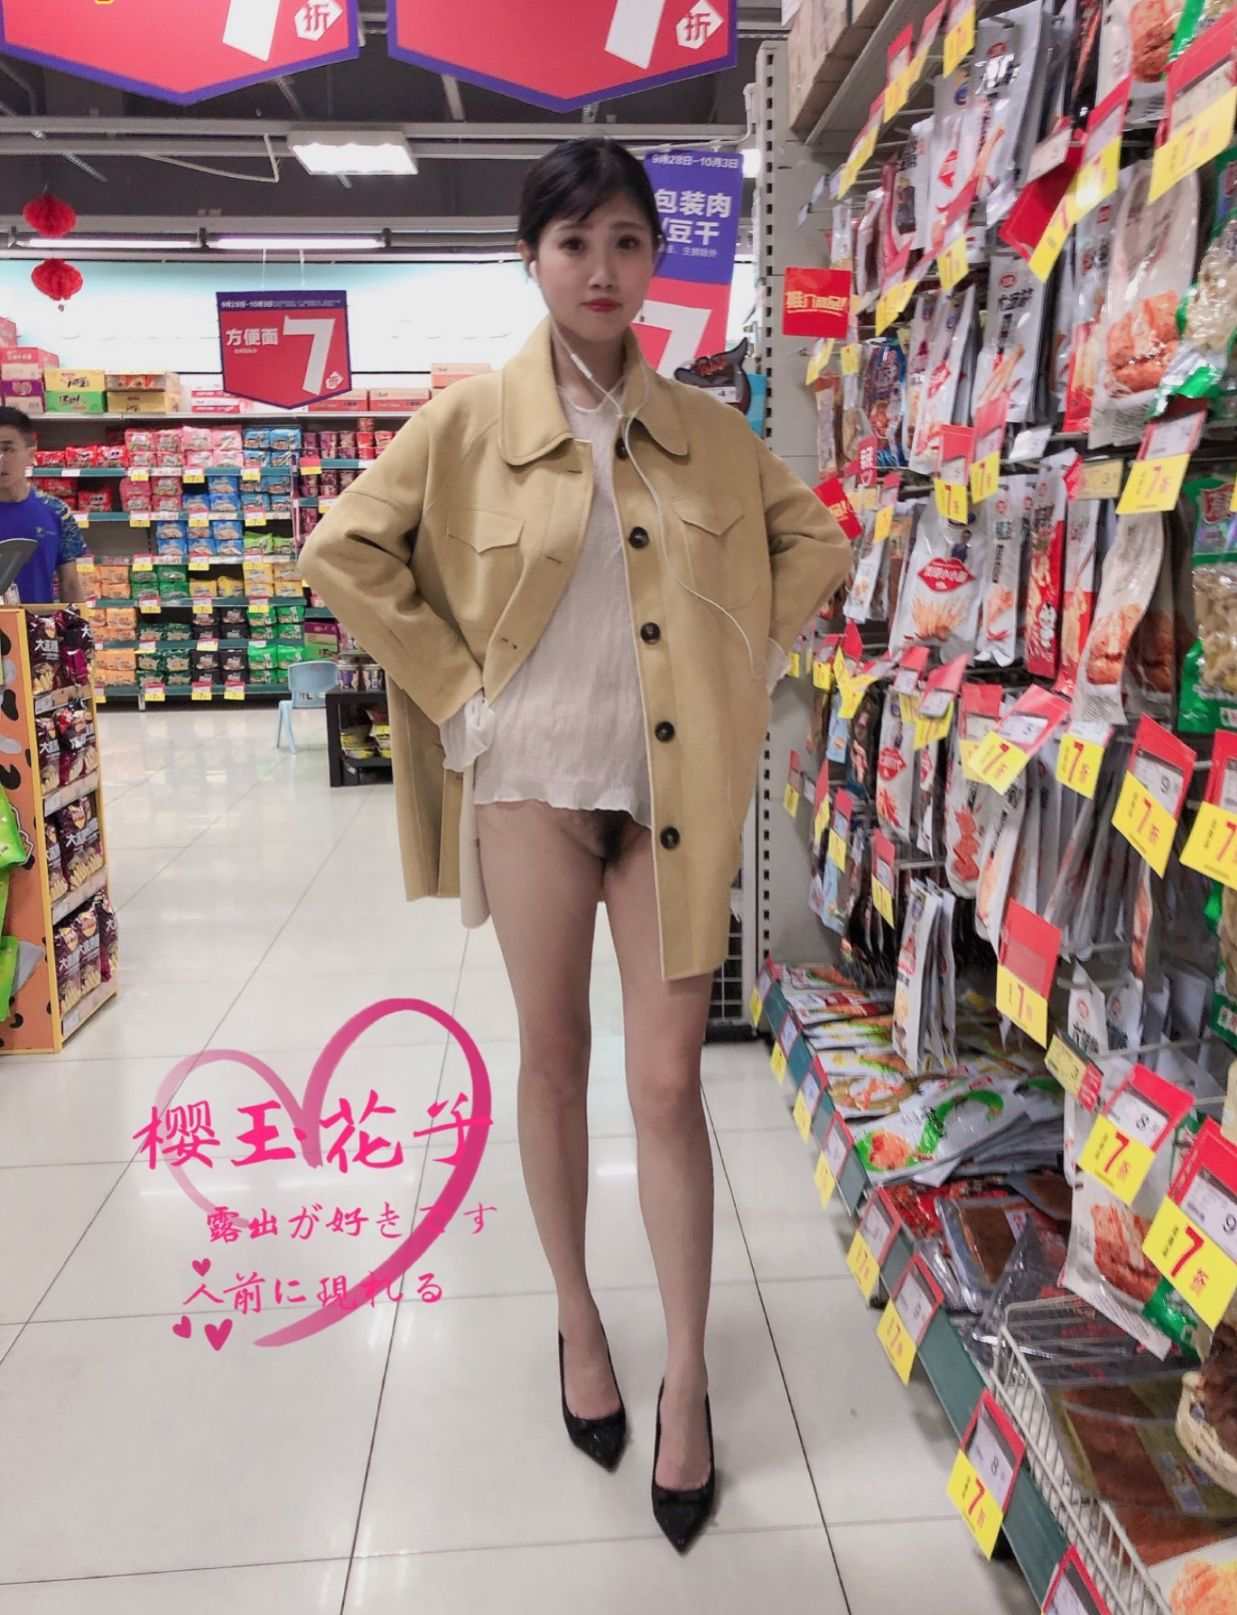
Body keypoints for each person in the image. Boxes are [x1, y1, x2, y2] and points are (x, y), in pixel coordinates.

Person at [301, 137, 850, 1553]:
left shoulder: (710, 430)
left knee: (667, 1084)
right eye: (572, 243)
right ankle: (577, 1320)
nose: (601, 270)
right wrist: (454, 690)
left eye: (624, 241)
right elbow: (342, 553)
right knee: (551, 1060)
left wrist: (744, 662)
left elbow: (815, 545)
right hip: (531, 787)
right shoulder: (467, 422)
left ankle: (687, 1378)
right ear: (531, 258)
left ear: (654, 256)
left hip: (670, 796)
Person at [0, 407, 86, 604]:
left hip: (39, 622)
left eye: (7, 449)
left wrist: (80, 622)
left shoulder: (56, 512)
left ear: (30, 453)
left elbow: (70, 584)